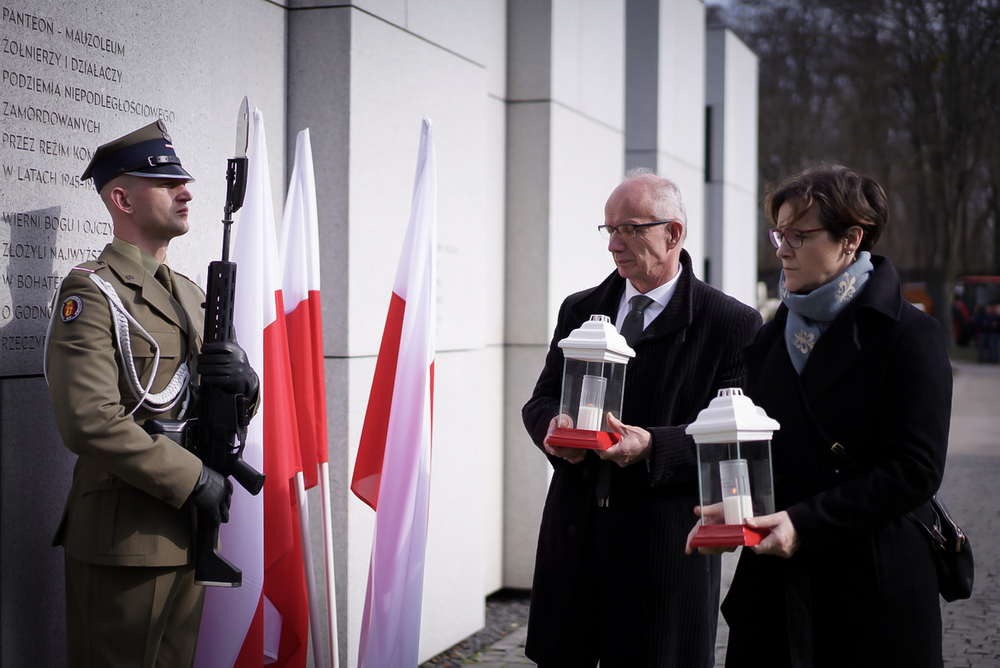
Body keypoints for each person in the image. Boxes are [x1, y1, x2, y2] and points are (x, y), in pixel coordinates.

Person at [692, 165, 952, 667]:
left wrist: (805, 524)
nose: (783, 249)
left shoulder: (908, 336)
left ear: (851, 240)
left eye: (799, 235)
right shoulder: (768, 339)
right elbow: (765, 455)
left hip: (872, 589)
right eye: (779, 234)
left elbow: (914, 470)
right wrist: (736, 511)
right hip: (775, 597)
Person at [521, 171, 763, 667]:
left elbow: (735, 440)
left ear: (672, 233)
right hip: (575, 544)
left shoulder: (729, 323)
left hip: (662, 557)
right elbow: (541, 399)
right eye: (608, 230)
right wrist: (551, 430)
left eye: (628, 229)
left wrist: (653, 446)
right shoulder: (581, 308)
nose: (613, 244)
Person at [45, 121, 258, 668]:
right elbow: (89, 420)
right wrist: (193, 479)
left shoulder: (190, 291)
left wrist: (244, 383)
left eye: (184, 182)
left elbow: (221, 410)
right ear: (122, 198)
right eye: (167, 184)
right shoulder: (91, 291)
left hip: (189, 533)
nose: (186, 192)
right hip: (126, 539)